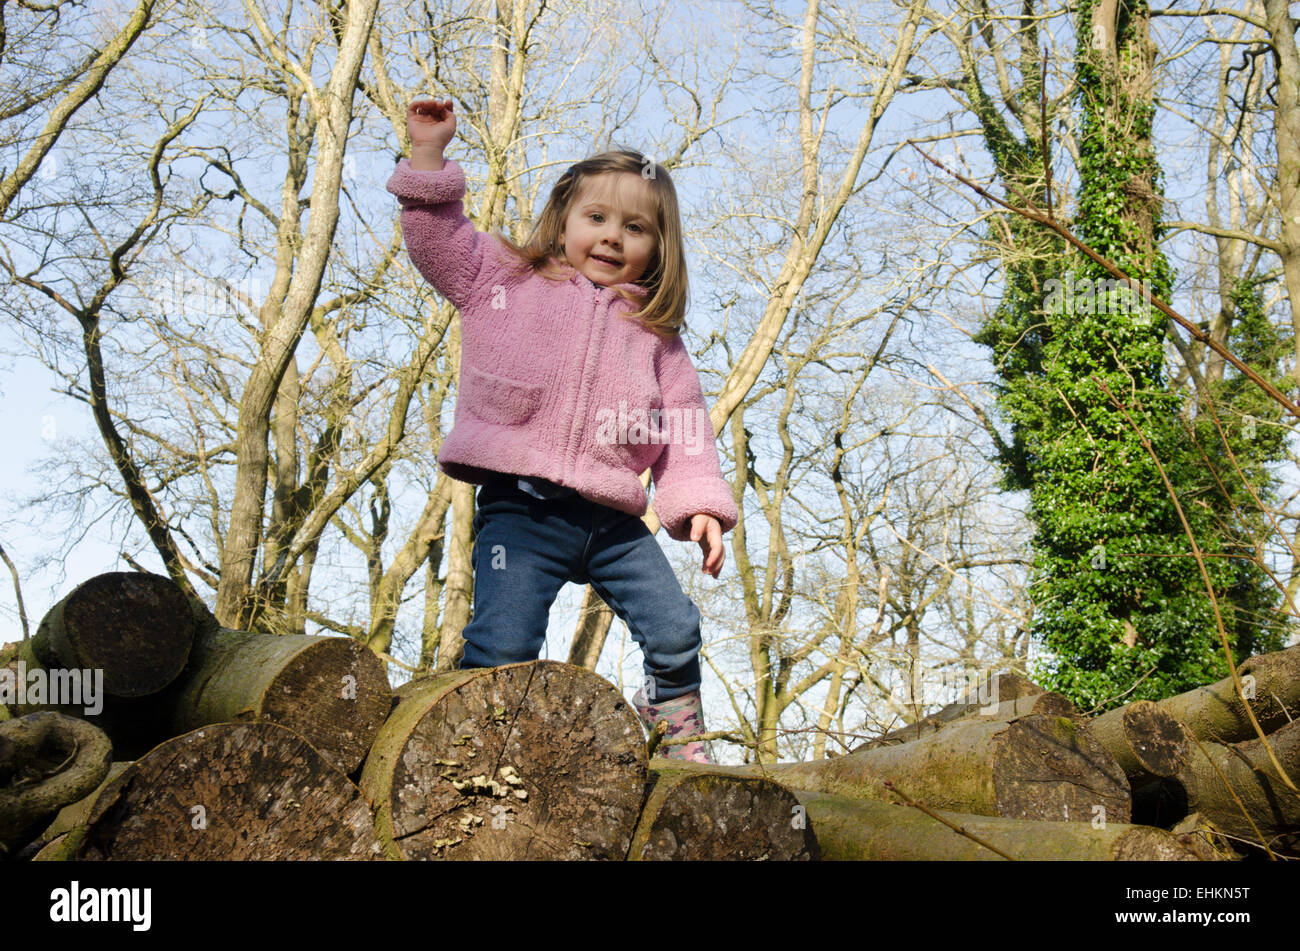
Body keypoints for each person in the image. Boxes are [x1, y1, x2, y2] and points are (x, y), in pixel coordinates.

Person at [386, 98, 738, 762]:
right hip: (520, 512)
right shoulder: (504, 278)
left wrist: (700, 508)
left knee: (675, 625)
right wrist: (429, 156)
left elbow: (687, 428)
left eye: (635, 227)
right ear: (564, 218)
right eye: (596, 217)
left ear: (659, 247)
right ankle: (466, 745)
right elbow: (434, 242)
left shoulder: (656, 335)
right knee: (503, 642)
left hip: (609, 521)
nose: (612, 236)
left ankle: (674, 726)